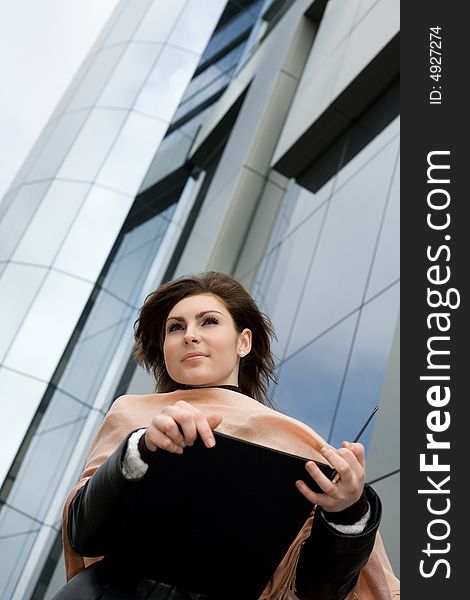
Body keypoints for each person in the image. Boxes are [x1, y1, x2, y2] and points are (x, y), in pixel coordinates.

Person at [55, 271, 400, 600]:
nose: (189, 335)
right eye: (175, 328)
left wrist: (347, 513)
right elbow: (83, 533)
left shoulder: (301, 443)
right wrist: (141, 448)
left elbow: (316, 590)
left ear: (244, 342)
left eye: (209, 321)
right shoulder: (132, 413)